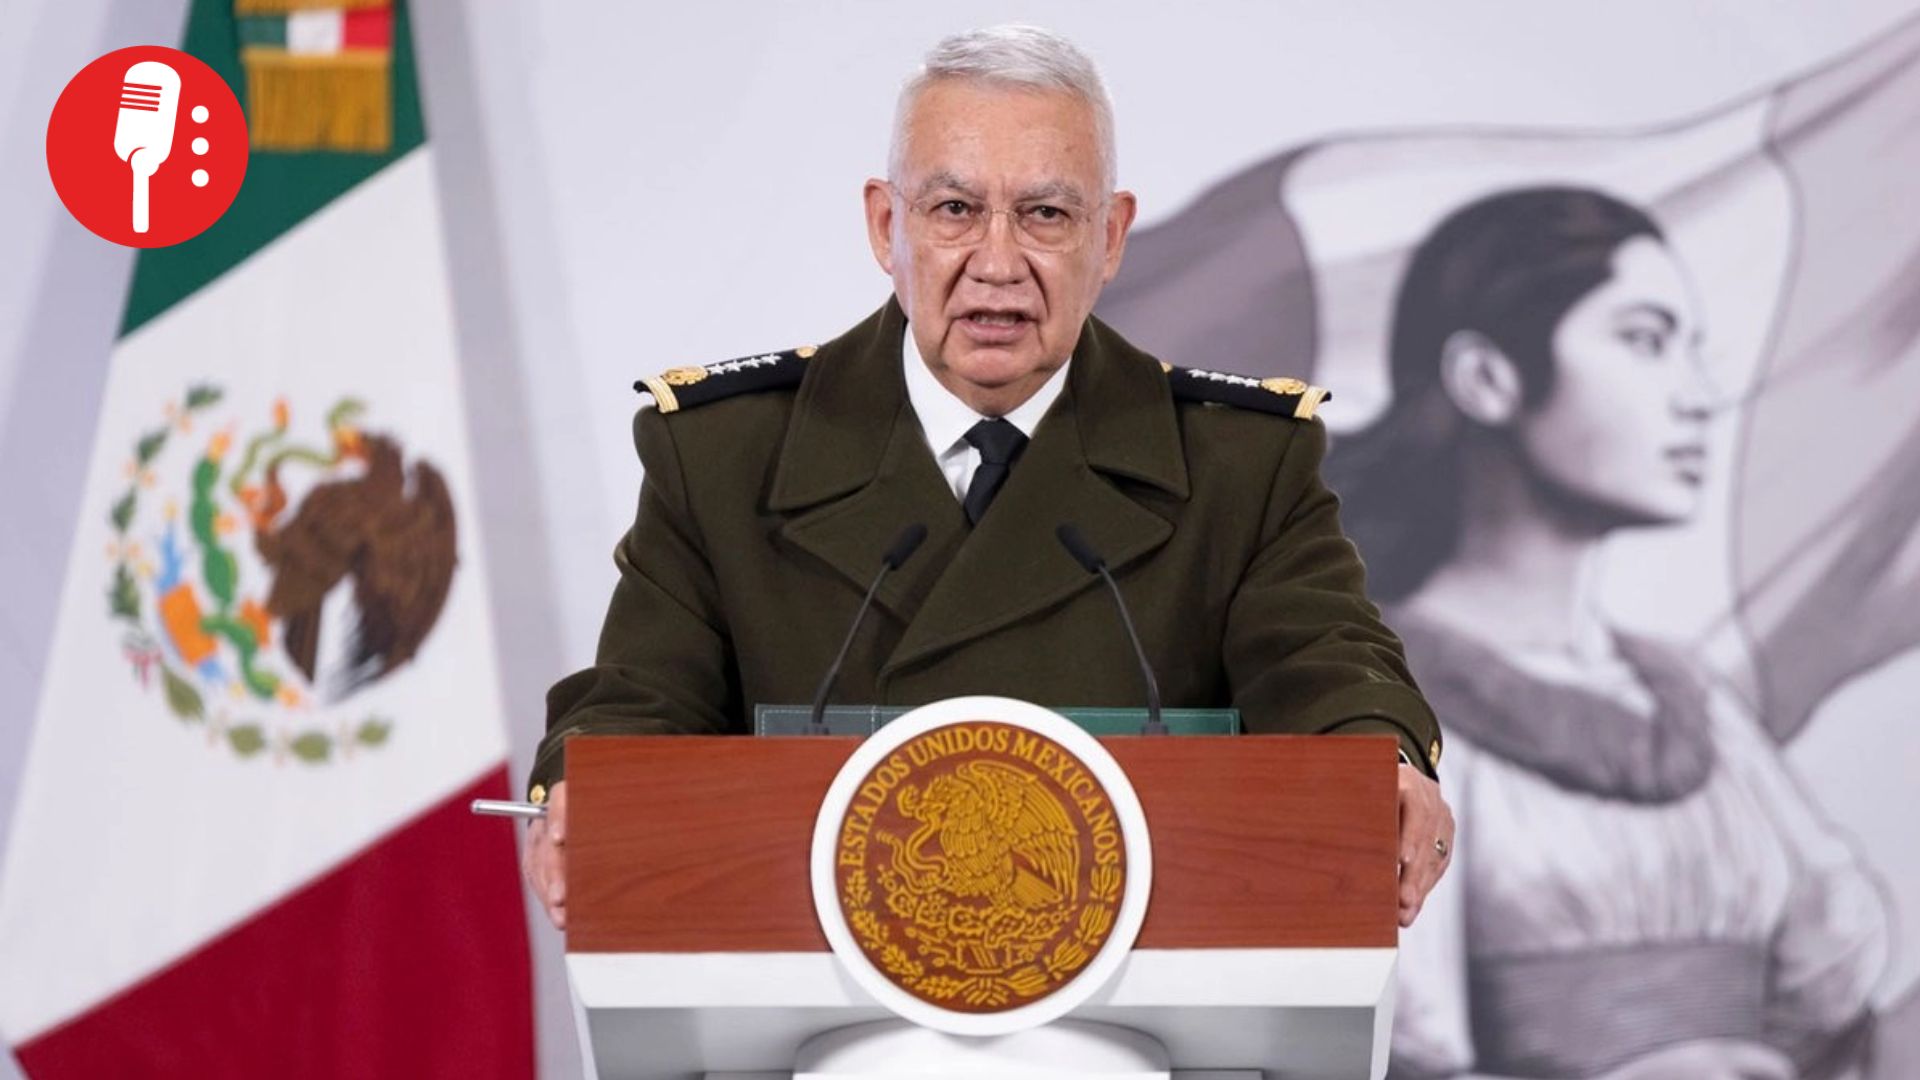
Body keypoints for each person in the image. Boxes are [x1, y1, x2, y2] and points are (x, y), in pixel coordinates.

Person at [521, 25, 1454, 937]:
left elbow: (1328, 666)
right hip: (817, 1002)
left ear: (1111, 235)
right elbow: (642, 701)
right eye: (955, 209)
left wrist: (1379, 760)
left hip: (1143, 1000)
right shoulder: (725, 456)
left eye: (1046, 214)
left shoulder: (1237, 463)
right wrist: (586, 788)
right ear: (887, 225)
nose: (998, 264)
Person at [1326, 187, 1889, 1080]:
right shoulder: (1369, 697)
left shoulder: (1691, 701)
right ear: (1487, 378)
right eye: (1645, 340)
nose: (1699, 397)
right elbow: (1379, 1050)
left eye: (1692, 350)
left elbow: (1829, 988)